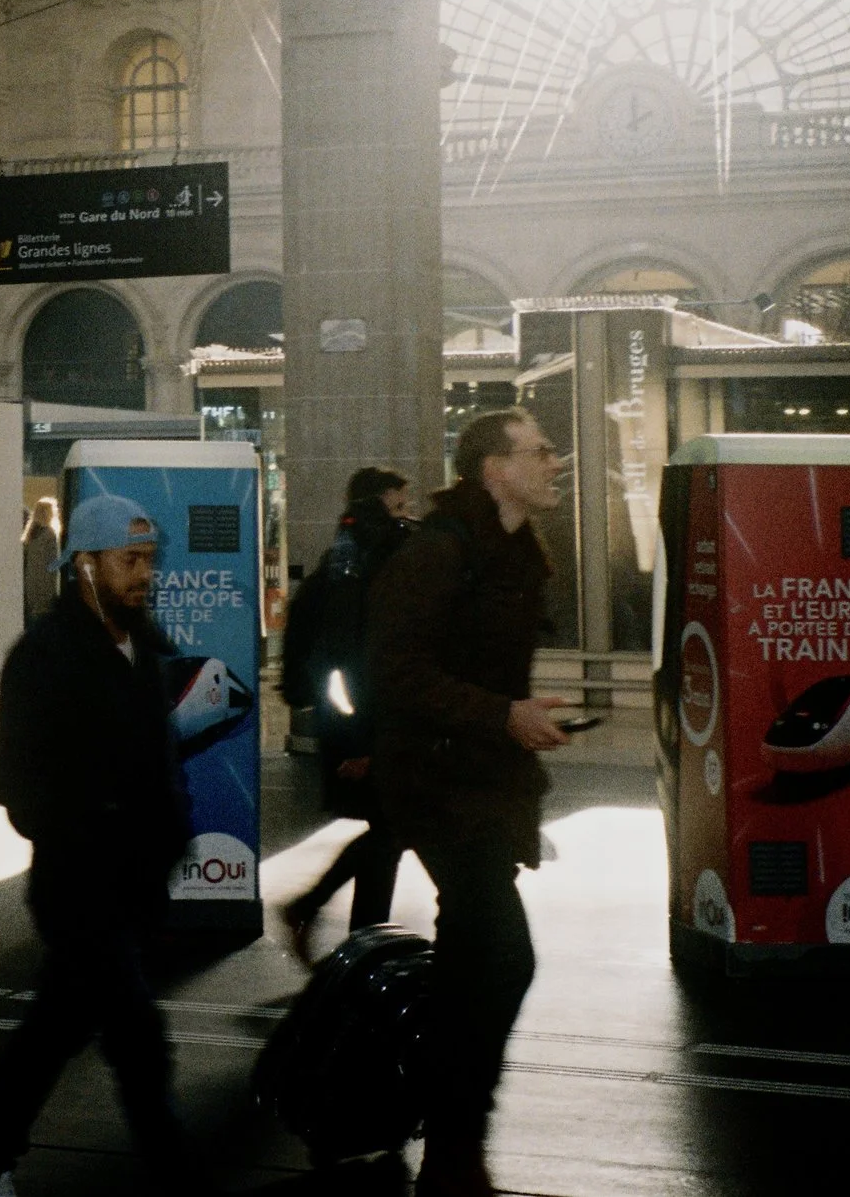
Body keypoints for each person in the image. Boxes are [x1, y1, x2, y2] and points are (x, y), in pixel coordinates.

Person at [0, 494, 193, 1197]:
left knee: (53, 1030)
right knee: (140, 1047)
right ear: (85, 566)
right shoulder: (47, 657)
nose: (144, 574)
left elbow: (156, 764)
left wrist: (163, 834)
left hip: (131, 887)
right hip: (80, 887)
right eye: (129, 561)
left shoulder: (140, 650)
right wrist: (82, 819)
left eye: (148, 560)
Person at [368, 410, 577, 1197]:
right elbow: (396, 671)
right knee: (503, 957)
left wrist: (518, 717)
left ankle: (442, 1128)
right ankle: (455, 1140)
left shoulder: (518, 554)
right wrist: (502, 714)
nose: (554, 461)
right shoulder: (439, 551)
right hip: (436, 785)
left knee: (471, 964)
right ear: (495, 469)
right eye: (539, 450)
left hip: (481, 782)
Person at [278, 465, 419, 964]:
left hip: (357, 719)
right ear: (378, 503)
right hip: (361, 723)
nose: (407, 515)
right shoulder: (362, 558)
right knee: (392, 829)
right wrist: (363, 741)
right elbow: (349, 653)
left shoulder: (344, 554)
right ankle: (339, 927)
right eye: (399, 505)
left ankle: (355, 936)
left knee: (389, 830)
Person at [20, 496, 62, 628]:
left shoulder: (31, 535)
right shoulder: (49, 534)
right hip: (44, 589)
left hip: (31, 587)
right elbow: (52, 566)